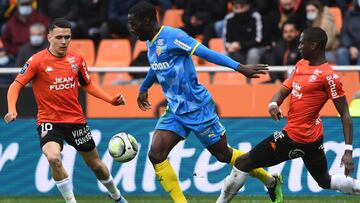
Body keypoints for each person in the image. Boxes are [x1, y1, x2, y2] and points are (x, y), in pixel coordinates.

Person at [128, 1, 283, 203]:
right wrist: (144, 87)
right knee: (156, 154)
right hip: (175, 110)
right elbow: (155, 65)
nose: (131, 29)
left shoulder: (174, 37)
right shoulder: (150, 40)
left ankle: (270, 180)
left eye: (134, 24)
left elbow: (205, 52)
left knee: (223, 154)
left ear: (147, 22)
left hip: (197, 107)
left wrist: (238, 67)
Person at [216, 27, 360, 203]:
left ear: (313, 45)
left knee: (242, 163)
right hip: (313, 138)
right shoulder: (301, 65)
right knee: (324, 180)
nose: (299, 47)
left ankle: (260, 187)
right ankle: (272, 182)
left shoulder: (329, 77)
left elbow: (345, 113)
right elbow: (284, 90)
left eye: (302, 42)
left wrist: (347, 150)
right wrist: (273, 103)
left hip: (295, 137)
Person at [3, 18, 128, 203]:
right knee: (54, 158)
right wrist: (12, 110)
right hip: (49, 121)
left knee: (96, 165)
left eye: (67, 37)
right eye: (59, 37)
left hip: (76, 121)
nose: (63, 42)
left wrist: (111, 100)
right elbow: (15, 85)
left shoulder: (76, 59)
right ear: (49, 37)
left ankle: (116, 196)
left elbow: (88, 84)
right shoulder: (36, 61)